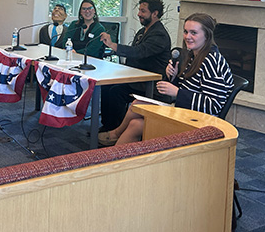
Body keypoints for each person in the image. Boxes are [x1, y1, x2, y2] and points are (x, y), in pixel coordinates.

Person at [99, 13, 234, 146]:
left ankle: (114, 140)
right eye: (186, 32)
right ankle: (116, 149)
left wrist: (177, 92)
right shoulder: (194, 55)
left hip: (199, 120)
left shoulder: (211, 61)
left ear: (207, 35)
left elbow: (213, 105)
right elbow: (190, 87)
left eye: (194, 33)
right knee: (137, 108)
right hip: (186, 111)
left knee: (136, 119)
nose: (188, 37)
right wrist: (174, 77)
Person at [98, 0, 171, 131]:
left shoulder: (159, 35)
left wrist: (113, 45)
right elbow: (133, 55)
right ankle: (107, 126)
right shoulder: (142, 32)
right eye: (139, 10)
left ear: (155, 14)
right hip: (137, 77)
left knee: (116, 91)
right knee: (106, 86)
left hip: (150, 84)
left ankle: (115, 131)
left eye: (143, 11)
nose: (139, 14)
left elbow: (139, 52)